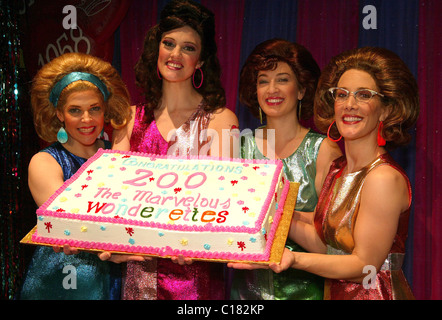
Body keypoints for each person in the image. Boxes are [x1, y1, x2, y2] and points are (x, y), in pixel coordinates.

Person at [108, 0, 238, 300]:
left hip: (195, 274)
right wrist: (109, 245)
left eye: (189, 47)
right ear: (158, 49)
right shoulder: (129, 119)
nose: (176, 54)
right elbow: (115, 197)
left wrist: (190, 241)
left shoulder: (220, 120)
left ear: (201, 60)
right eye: (169, 43)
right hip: (138, 272)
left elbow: (225, 202)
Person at [270, 47, 419, 300]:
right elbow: (330, 249)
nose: (350, 105)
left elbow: (363, 266)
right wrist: (272, 214)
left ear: (385, 109)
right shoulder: (338, 169)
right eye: (342, 94)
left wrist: (294, 258)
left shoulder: (383, 178)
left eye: (364, 95)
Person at [229, 39, 342, 300]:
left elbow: (333, 248)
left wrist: (275, 213)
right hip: (245, 296)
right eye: (262, 80)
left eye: (282, 79)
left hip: (305, 293)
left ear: (302, 89)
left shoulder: (323, 150)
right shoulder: (238, 147)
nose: (272, 89)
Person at [19, 52, 132, 299]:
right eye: (75, 110)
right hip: (62, 284)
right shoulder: (45, 162)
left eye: (94, 108)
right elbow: (69, 224)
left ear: (105, 110)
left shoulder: (117, 155)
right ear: (59, 114)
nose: (87, 119)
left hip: (114, 280)